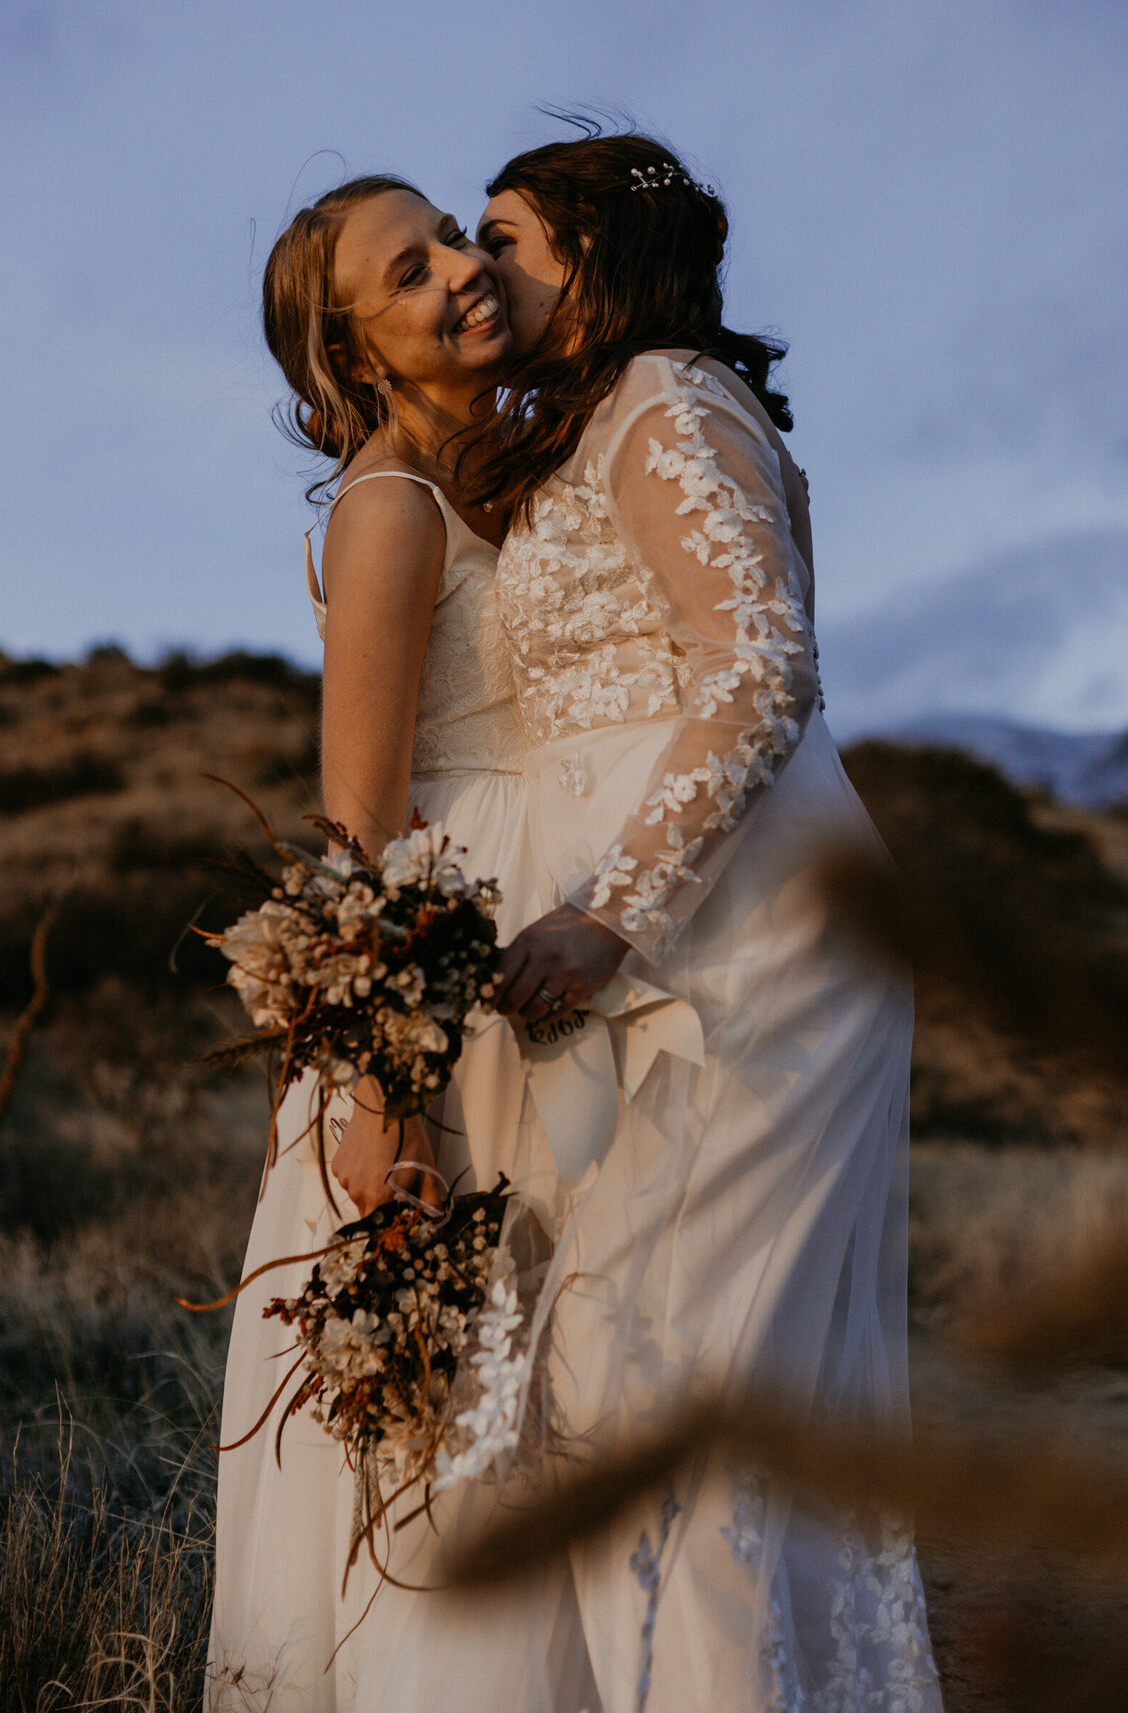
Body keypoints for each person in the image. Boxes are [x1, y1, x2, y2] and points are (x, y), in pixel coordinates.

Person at [466, 132, 944, 1712]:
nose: (482, 271)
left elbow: (760, 665)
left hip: (740, 952)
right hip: (664, 948)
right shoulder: (602, 421)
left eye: (508, 240)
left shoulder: (672, 395)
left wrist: (612, 912)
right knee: (642, 1390)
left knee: (645, 1384)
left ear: (598, 259)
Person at [205, 176, 585, 1710]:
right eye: (409, 272)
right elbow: (360, 819)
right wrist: (387, 1094)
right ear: (352, 357)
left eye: (454, 240)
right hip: (441, 1010)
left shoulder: (491, 474)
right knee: (451, 1426)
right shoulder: (388, 506)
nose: (460, 276)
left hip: (527, 974)